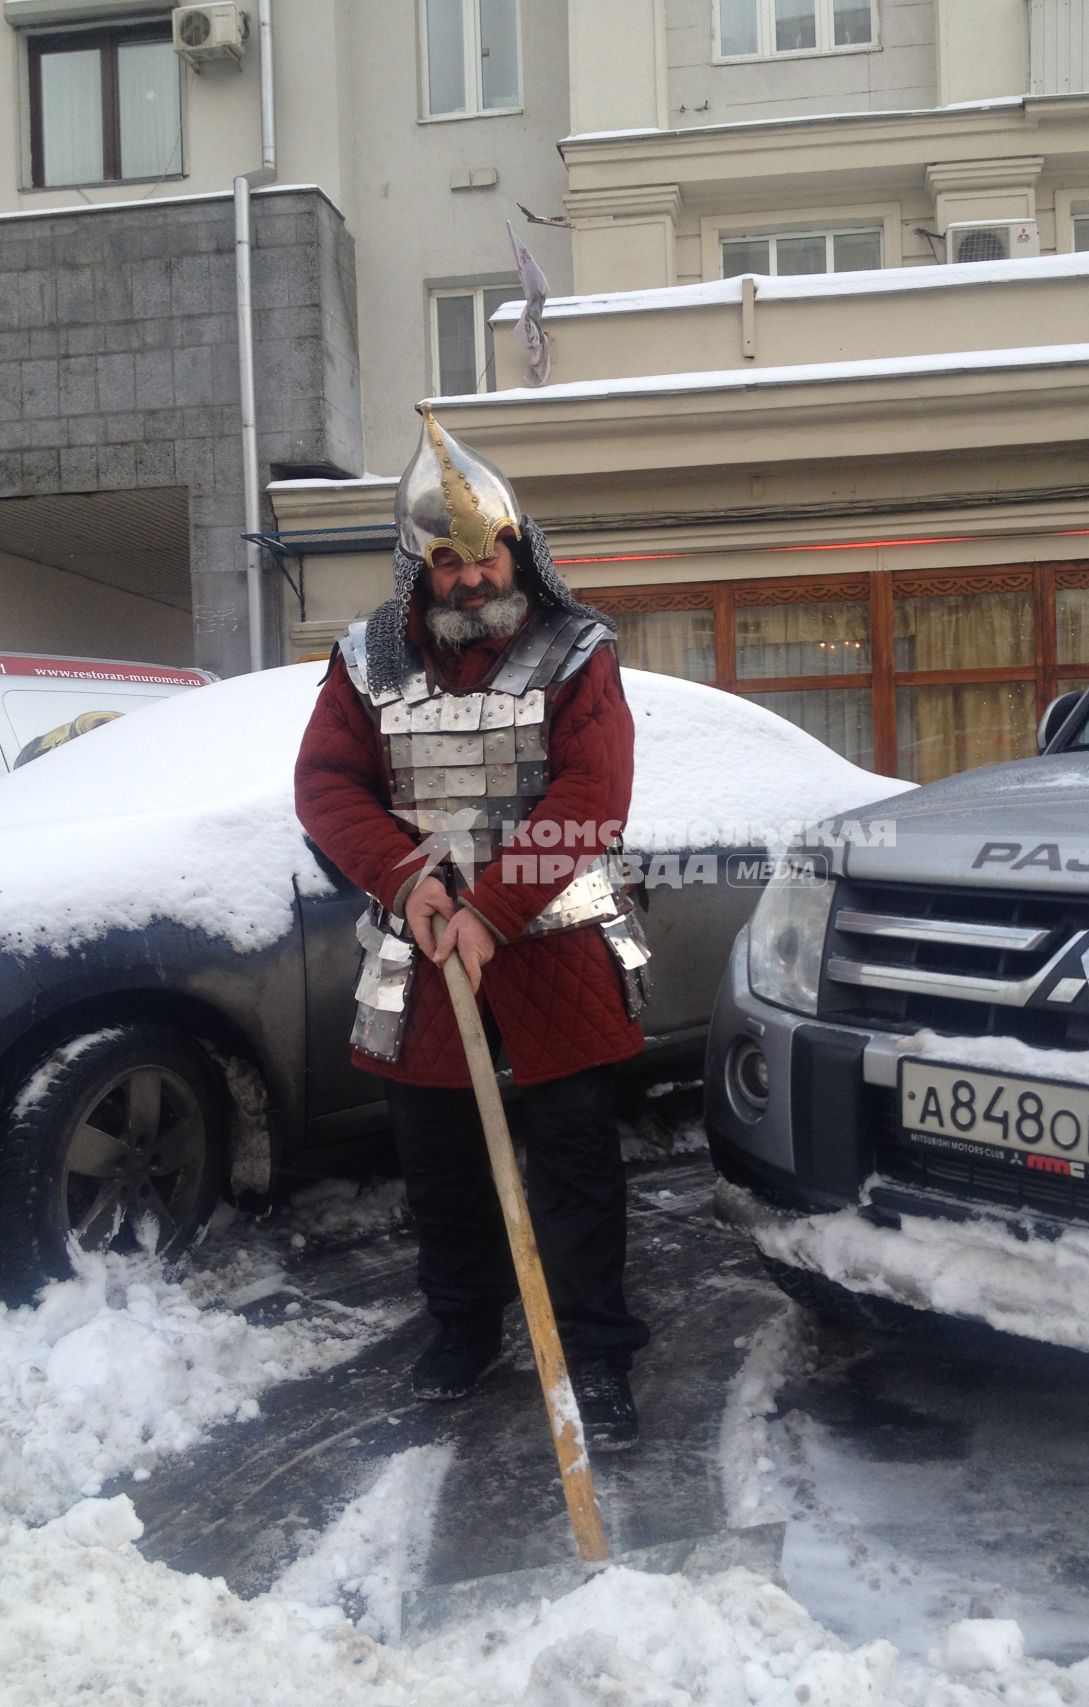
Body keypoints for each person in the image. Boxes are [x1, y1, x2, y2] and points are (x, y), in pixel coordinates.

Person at [294, 405, 652, 1448]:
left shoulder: (577, 648)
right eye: (446, 563)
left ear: (516, 548)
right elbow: (327, 787)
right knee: (441, 1156)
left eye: (486, 554)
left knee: (576, 1158)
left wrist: (493, 907)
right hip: (422, 940)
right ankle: (463, 1325)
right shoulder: (365, 660)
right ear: (416, 567)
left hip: (553, 935)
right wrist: (410, 883)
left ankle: (594, 1350)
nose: (472, 579)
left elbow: (592, 792)